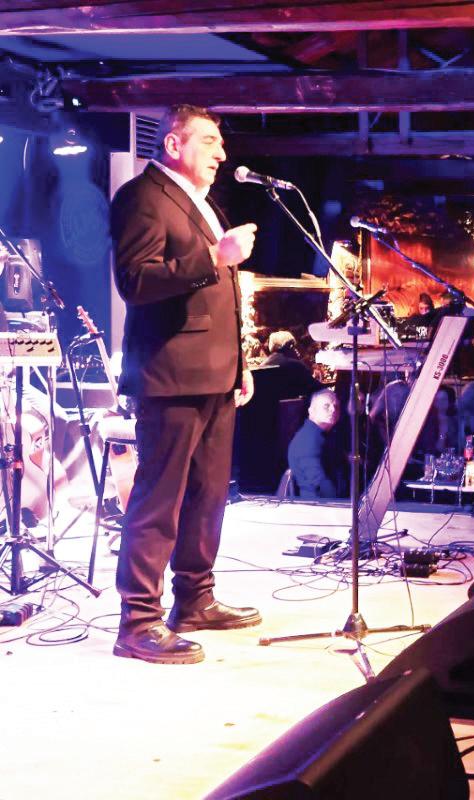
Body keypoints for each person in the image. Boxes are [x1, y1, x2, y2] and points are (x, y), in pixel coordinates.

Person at [111, 104, 260, 665]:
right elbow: (135, 281)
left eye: (221, 143)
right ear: (174, 145)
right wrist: (214, 256)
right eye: (209, 141)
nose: (222, 153)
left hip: (216, 373)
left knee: (208, 495)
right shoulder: (143, 197)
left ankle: (194, 600)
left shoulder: (200, 200)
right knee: (159, 498)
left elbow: (221, 297)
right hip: (169, 374)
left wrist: (240, 362)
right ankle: (138, 622)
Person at [287, 388, 346, 499]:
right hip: (319, 504)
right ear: (312, 411)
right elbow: (318, 482)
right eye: (326, 406)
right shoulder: (308, 438)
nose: (333, 410)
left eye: (336, 406)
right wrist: (343, 502)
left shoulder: (321, 435)